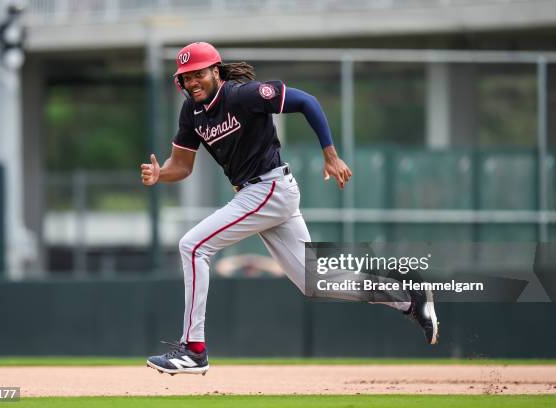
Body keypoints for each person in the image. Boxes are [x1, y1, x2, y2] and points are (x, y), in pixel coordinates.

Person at [141, 42, 438, 376]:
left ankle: (194, 350)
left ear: (215, 70)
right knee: (316, 282)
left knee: (192, 246)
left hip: (268, 188)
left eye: (198, 73)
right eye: (186, 76)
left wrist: (330, 153)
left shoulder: (243, 95)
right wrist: (160, 174)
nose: (192, 81)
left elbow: (306, 102)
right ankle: (407, 295)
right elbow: (181, 165)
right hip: (260, 194)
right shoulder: (191, 112)